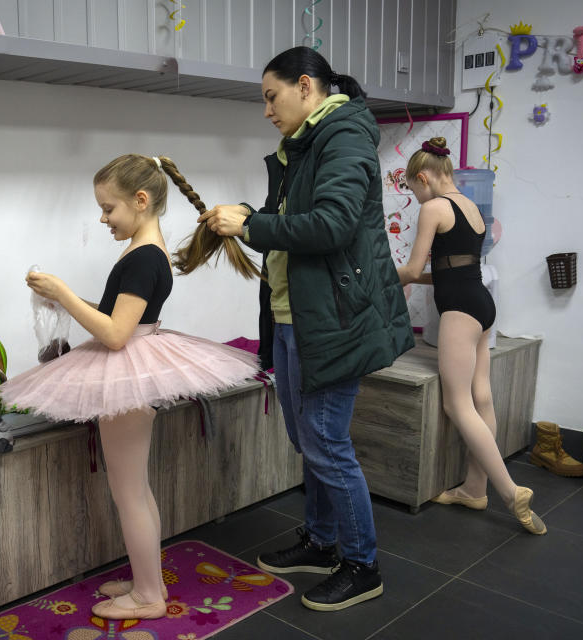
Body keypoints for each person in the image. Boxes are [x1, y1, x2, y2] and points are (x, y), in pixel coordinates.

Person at [195, 46, 413, 611]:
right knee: (306, 440)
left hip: (332, 321)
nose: (266, 110)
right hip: (297, 314)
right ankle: (321, 539)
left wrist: (253, 225)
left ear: (307, 86)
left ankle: (362, 563)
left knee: (326, 443)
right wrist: (244, 216)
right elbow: (289, 220)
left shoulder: (343, 136)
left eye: (272, 96)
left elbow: (334, 224)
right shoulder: (305, 144)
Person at [0, 154, 260, 620]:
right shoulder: (146, 250)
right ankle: (148, 580)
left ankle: (149, 597)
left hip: (126, 367)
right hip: (135, 363)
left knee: (130, 493)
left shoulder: (144, 256)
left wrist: (63, 294)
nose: (102, 219)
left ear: (140, 201)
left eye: (108, 209)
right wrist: (63, 296)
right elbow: (118, 315)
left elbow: (116, 334)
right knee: (135, 489)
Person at [396, 137, 546, 535]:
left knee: (457, 405)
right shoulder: (472, 208)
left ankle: (510, 491)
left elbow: (412, 271)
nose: (416, 197)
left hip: (460, 311)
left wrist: (376, 277)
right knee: (481, 395)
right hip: (482, 304)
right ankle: (474, 489)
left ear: (423, 178)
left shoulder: (433, 208)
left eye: (413, 189)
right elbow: (450, 271)